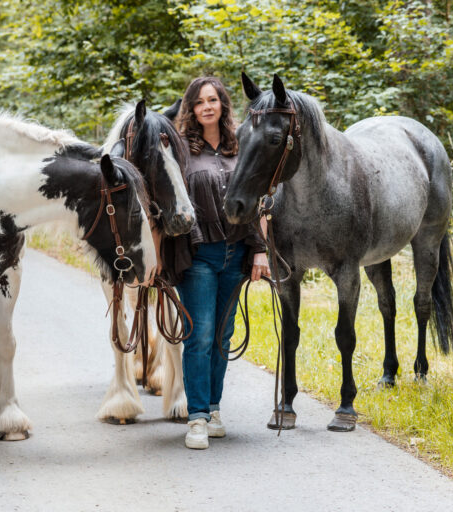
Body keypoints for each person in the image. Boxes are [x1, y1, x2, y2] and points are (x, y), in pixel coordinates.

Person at [174, 76, 269, 450]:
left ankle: (213, 408)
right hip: (199, 254)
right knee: (198, 336)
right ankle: (195, 417)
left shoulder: (240, 146)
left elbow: (256, 200)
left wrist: (259, 250)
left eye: (212, 100)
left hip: (237, 253)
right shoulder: (182, 149)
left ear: (223, 105)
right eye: (199, 102)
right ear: (192, 109)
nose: (207, 107)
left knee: (221, 337)